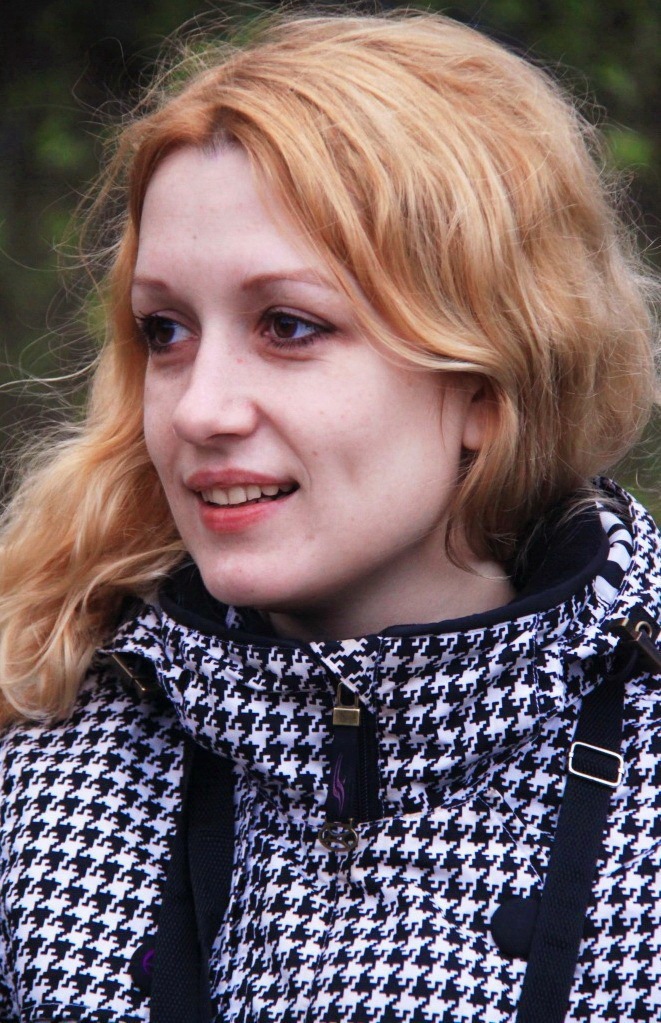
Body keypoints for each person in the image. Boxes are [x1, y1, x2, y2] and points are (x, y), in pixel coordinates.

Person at [0, 9, 659, 1023]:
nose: (202, 409)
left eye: (289, 326)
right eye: (165, 331)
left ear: (486, 384)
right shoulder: (46, 780)